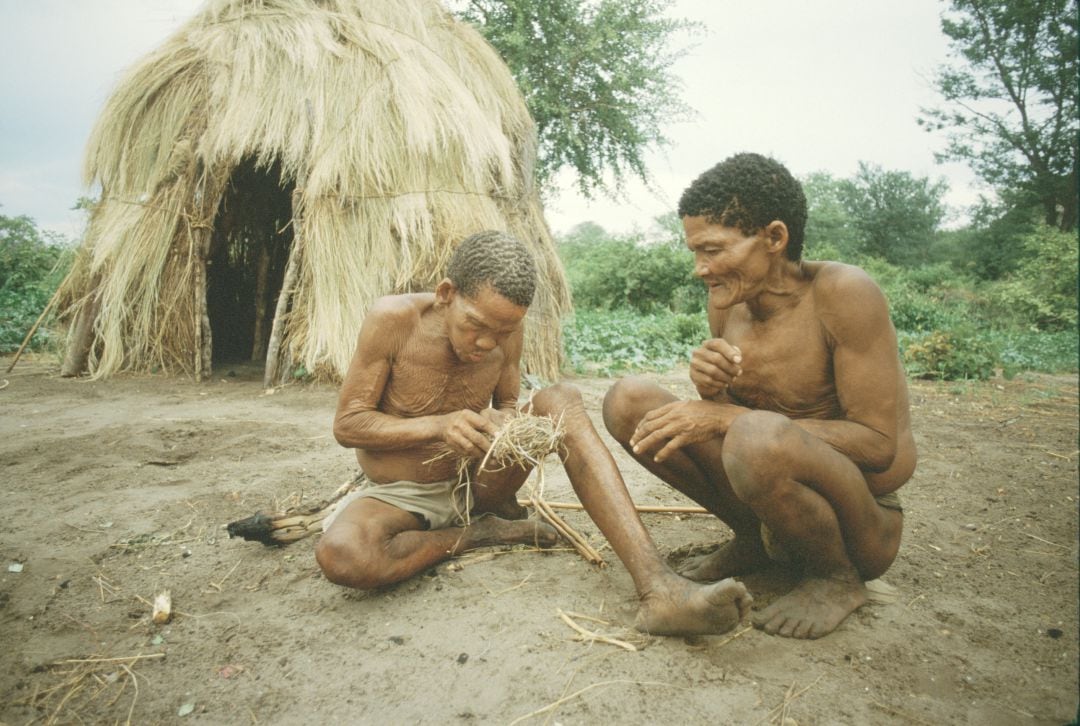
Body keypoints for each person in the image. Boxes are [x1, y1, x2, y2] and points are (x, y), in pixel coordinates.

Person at [315, 230, 752, 636]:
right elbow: (348, 424)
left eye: (502, 331)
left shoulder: (508, 329)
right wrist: (439, 425)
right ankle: (482, 534)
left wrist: (505, 425)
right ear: (447, 294)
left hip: (478, 480)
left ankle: (659, 588)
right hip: (401, 496)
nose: (488, 343)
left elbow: (507, 406)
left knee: (558, 399)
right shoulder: (393, 320)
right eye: (476, 326)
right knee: (344, 555)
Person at [602, 153, 917, 640]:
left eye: (712, 250)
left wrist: (724, 415)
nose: (699, 269)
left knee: (751, 433)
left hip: (861, 525)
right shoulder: (728, 300)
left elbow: (879, 446)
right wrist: (713, 389)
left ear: (774, 238)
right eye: (694, 252)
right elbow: (738, 418)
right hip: (767, 481)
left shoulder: (844, 294)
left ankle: (834, 578)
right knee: (629, 400)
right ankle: (754, 538)